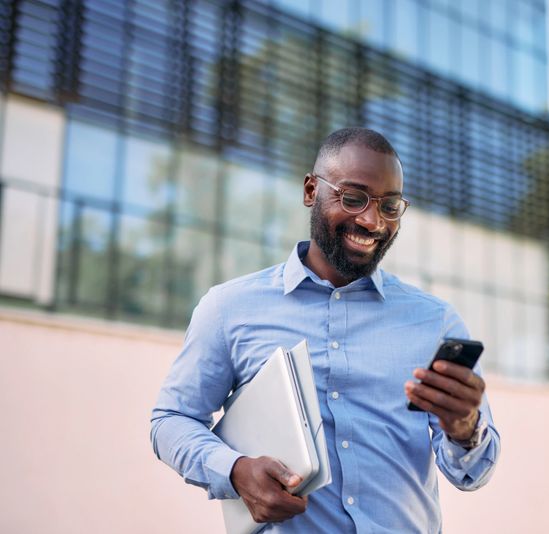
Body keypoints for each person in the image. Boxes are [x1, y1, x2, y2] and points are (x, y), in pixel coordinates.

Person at [150, 127, 500, 533]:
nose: (371, 220)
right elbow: (171, 420)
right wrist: (235, 470)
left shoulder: (435, 322)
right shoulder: (229, 308)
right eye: (353, 198)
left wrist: (464, 429)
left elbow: (471, 474)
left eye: (390, 207)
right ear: (311, 190)